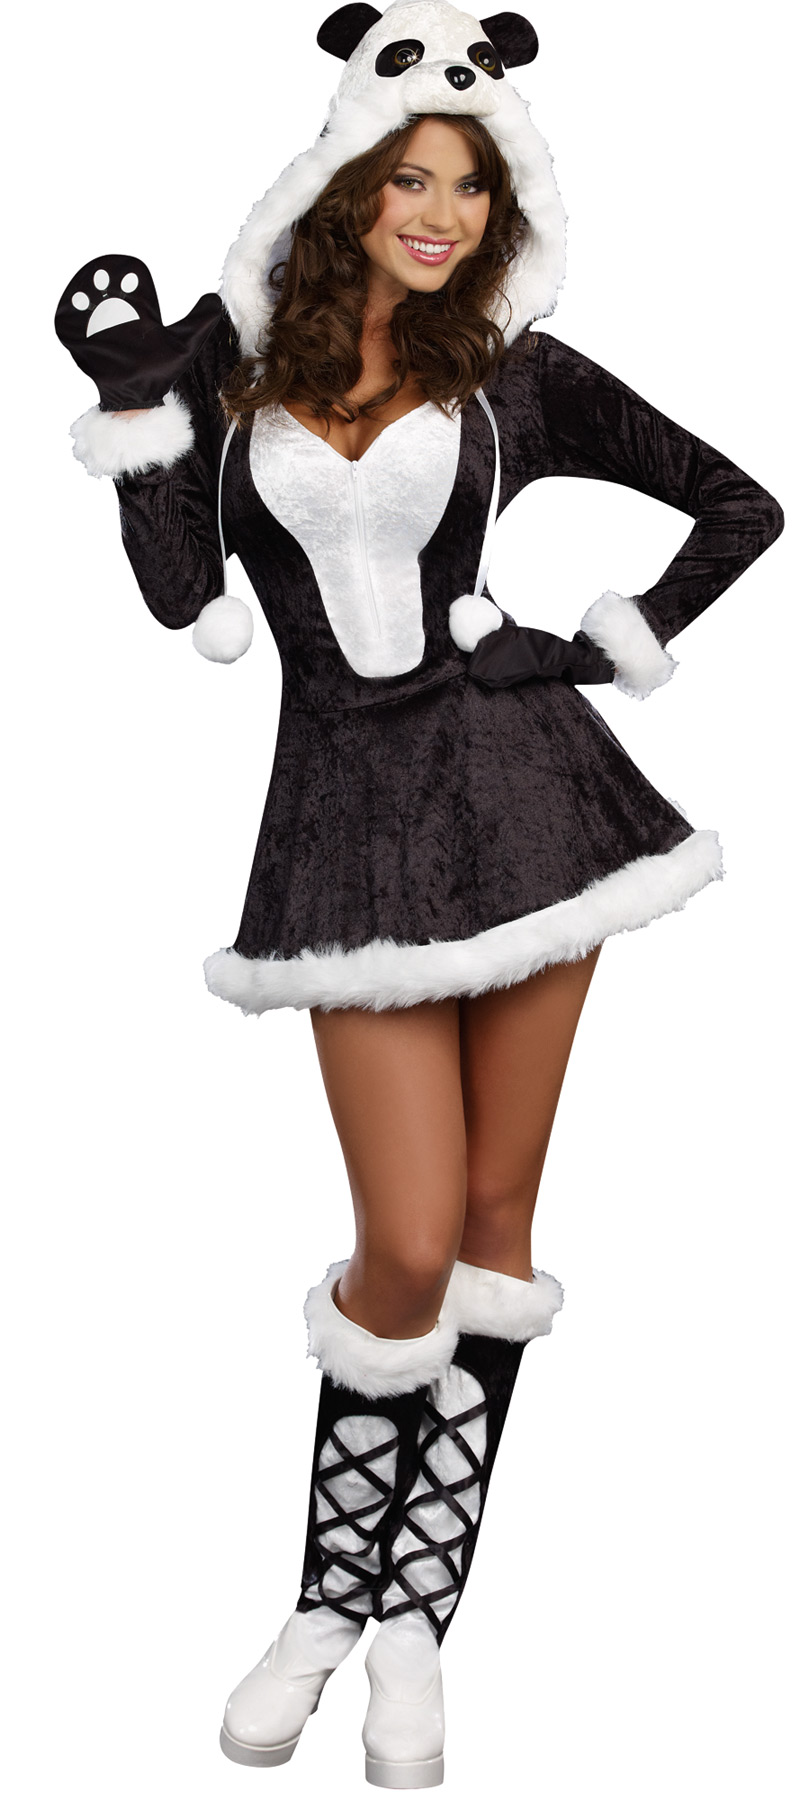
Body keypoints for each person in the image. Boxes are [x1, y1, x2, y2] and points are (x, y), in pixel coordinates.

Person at [54, 3, 784, 1788]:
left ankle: (410, 1625)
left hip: (529, 811)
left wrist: (593, 647)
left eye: (470, 183)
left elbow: (735, 504)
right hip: (345, 832)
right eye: (411, 179)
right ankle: (323, 1599)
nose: (443, 212)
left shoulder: (517, 373)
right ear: (345, 183)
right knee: (401, 1240)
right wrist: (134, 404)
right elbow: (179, 593)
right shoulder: (235, 369)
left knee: (491, 1223)